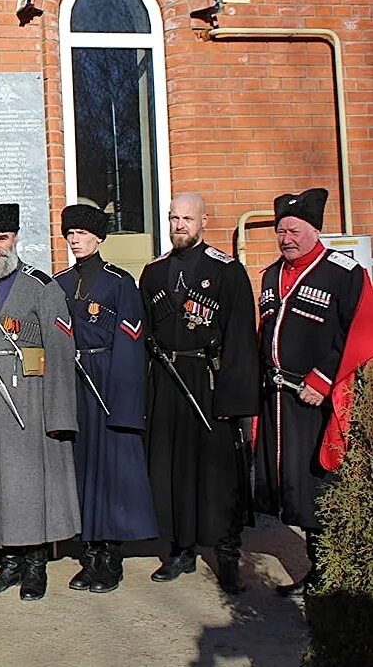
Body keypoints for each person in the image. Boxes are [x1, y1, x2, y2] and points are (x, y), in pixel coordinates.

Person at [0, 203, 80, 601]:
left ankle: (35, 565)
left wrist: (59, 414)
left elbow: (61, 352)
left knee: (29, 484)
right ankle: (8, 563)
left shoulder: (42, 287)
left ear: (15, 239)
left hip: (29, 401)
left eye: (1, 239)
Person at [140, 193, 259, 595]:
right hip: (167, 378)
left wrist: (235, 402)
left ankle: (227, 552)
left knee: (218, 473)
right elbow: (145, 338)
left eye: (187, 218)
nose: (179, 225)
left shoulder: (227, 271)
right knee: (172, 467)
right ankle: (180, 549)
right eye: (174, 218)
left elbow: (241, 339)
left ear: (204, 220)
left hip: (209, 382)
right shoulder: (154, 272)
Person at [255, 188, 370, 596]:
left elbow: (358, 330)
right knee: (294, 489)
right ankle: (317, 571)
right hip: (279, 400)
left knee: (319, 485)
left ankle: (331, 576)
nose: (287, 237)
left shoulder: (343, 273)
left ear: (314, 229)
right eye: (281, 230)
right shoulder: (270, 274)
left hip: (318, 400)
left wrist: (323, 379)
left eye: (295, 230)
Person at [53, 204, 157, 593]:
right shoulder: (59, 284)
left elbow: (132, 342)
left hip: (107, 382)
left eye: (82, 233)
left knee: (109, 471)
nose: (76, 240)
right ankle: (89, 553)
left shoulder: (119, 282)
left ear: (98, 238)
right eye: (70, 234)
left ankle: (110, 556)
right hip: (73, 383)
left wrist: (124, 398)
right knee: (80, 469)